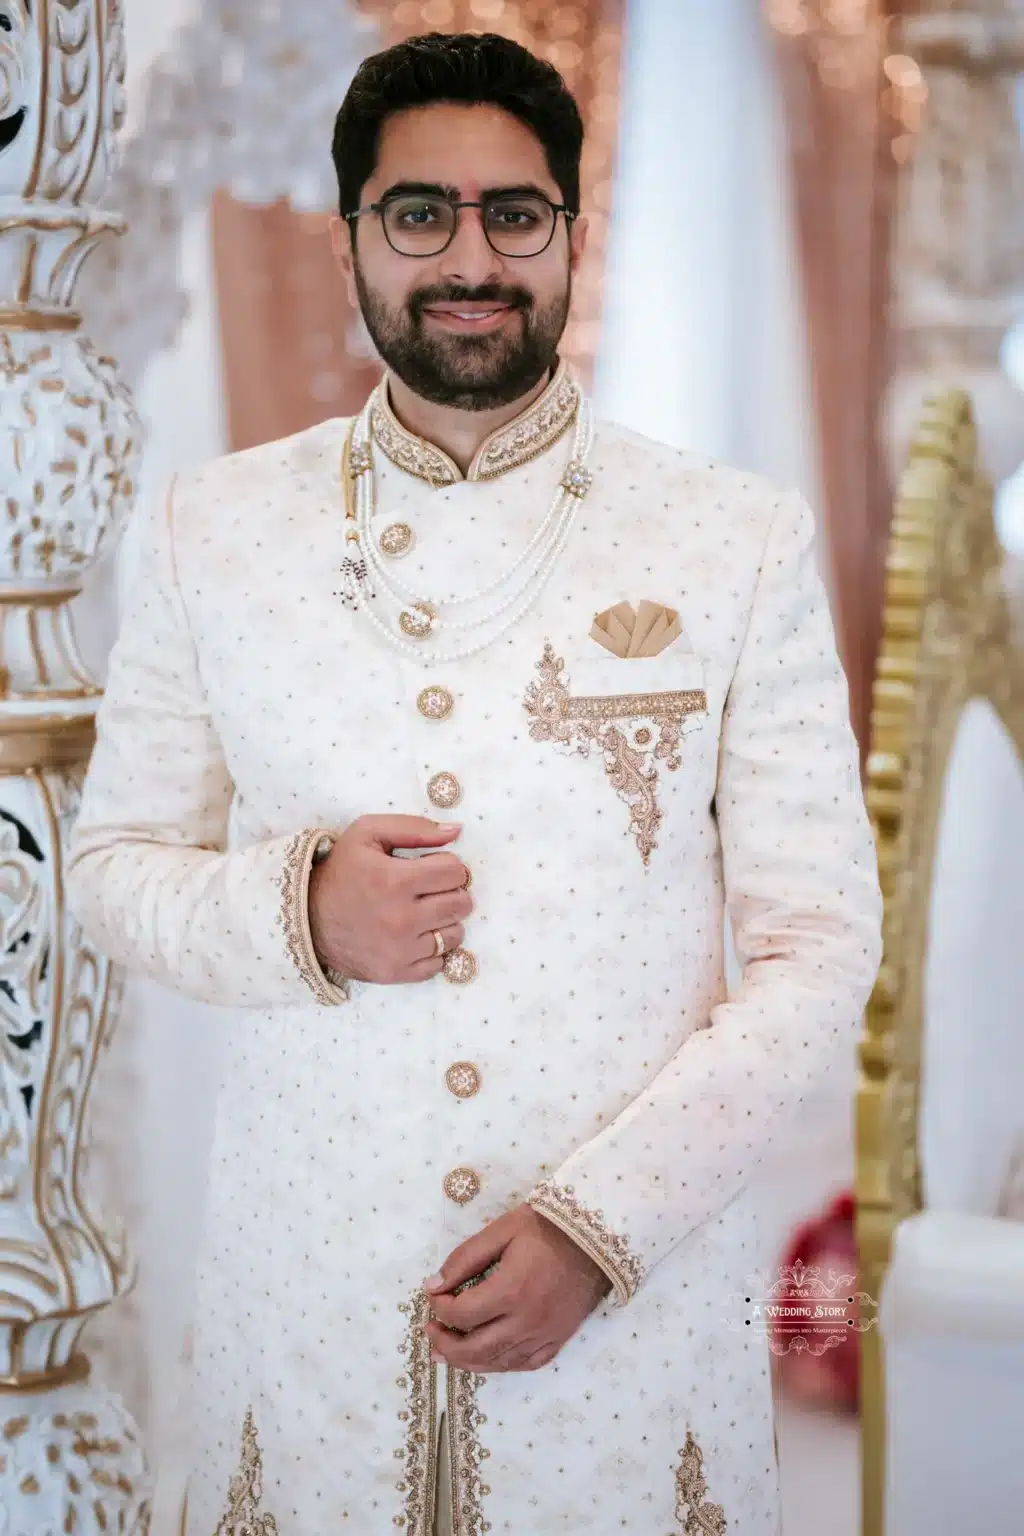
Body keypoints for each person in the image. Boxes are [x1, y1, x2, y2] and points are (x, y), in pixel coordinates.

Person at [68, 30, 882, 1536]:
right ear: (351, 238)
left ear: (572, 234)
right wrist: (300, 907)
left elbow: (816, 943)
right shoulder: (213, 529)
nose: (470, 255)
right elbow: (112, 863)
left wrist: (601, 1226)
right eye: (418, 212)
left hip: (631, 1333)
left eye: (515, 213)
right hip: (313, 1302)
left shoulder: (729, 539)